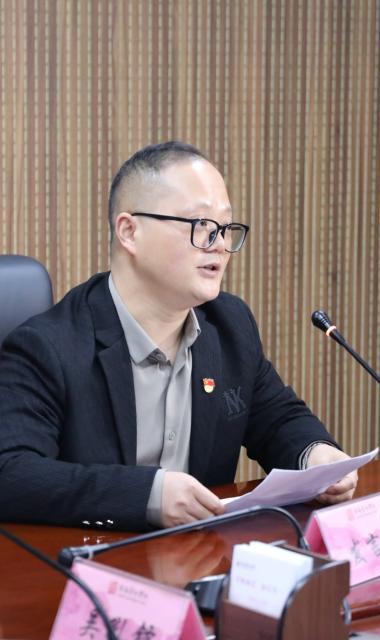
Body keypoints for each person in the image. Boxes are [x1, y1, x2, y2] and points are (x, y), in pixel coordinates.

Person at [0, 141, 356, 531]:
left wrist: (315, 455)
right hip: (95, 560)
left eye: (225, 228)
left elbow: (277, 418)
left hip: (200, 555)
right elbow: (11, 472)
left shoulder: (229, 325)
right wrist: (147, 496)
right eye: (201, 225)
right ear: (130, 232)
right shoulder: (48, 347)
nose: (220, 245)